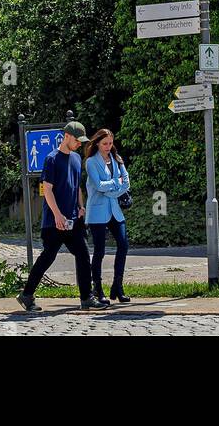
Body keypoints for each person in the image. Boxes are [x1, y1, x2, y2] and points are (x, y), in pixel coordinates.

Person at [18, 121, 99, 313]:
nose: (80, 144)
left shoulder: (77, 159)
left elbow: (77, 187)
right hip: (54, 221)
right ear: (67, 136)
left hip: (73, 219)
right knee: (48, 257)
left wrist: (81, 207)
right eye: (77, 140)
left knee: (83, 254)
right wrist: (57, 215)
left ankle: (86, 298)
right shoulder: (52, 159)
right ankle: (27, 295)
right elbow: (48, 190)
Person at [85, 128, 131, 305]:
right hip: (97, 212)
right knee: (100, 251)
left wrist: (113, 188)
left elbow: (126, 182)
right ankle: (97, 289)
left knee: (123, 245)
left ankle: (117, 287)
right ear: (97, 143)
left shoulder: (117, 159)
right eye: (104, 143)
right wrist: (115, 184)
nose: (108, 146)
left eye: (110, 143)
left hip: (115, 211)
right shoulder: (91, 162)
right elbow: (99, 185)